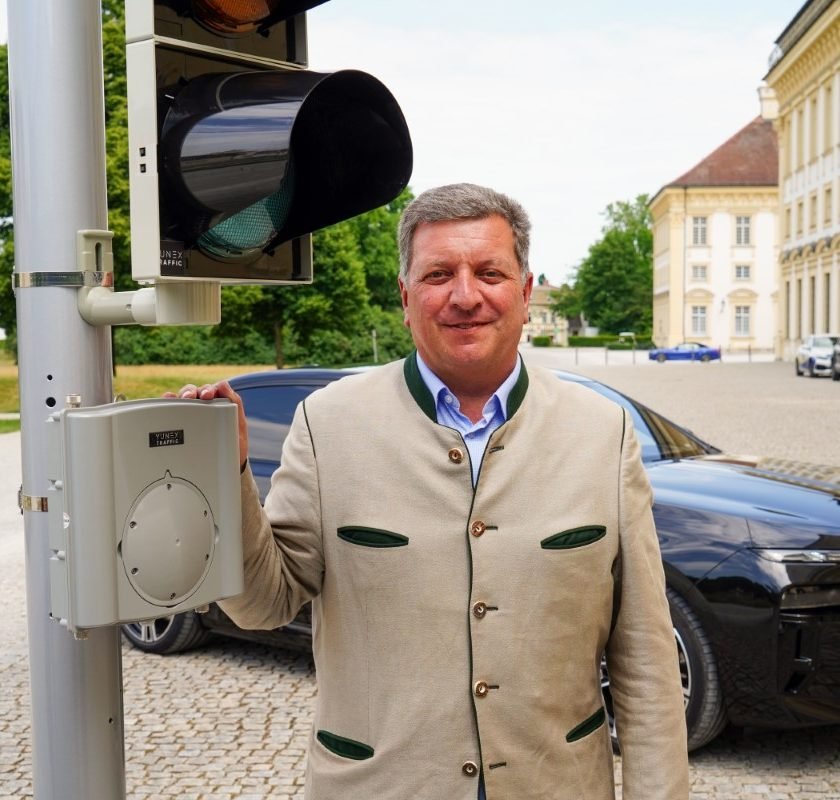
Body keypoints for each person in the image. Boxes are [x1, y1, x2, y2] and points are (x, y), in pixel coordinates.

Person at [174, 183, 689, 799]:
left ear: (525, 294)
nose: (465, 296)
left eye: (490, 272)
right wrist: (227, 481)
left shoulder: (602, 432)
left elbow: (647, 661)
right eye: (439, 274)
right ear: (405, 297)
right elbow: (263, 607)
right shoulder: (327, 424)